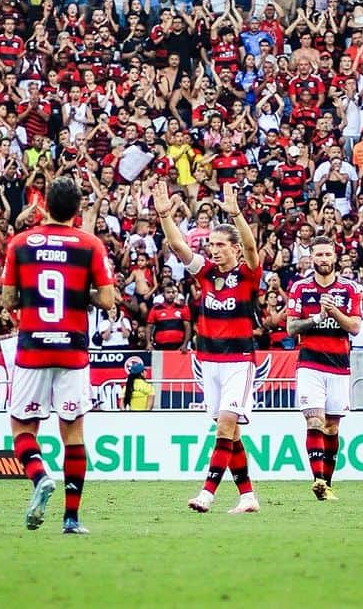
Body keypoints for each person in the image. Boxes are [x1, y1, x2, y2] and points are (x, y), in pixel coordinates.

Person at [1, 175, 115, 535]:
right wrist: (80, 294)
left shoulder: (20, 243)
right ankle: (71, 519)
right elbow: (108, 300)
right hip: (72, 348)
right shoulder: (90, 244)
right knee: (74, 433)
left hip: (34, 345)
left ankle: (39, 476)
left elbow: (8, 301)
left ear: (44, 204)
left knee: (22, 427)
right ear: (78, 210)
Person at [153, 178, 261, 514]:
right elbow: (179, 248)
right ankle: (248, 497)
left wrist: (237, 215)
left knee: (225, 426)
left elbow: (253, 249)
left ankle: (207, 493)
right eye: (210, 244)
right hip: (209, 363)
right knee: (232, 435)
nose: (212, 249)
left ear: (234, 248)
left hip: (238, 362)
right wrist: (164, 217)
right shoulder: (206, 273)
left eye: (219, 244)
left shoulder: (247, 274)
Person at [286, 235, 363, 500]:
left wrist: (334, 313)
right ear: (311, 258)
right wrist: (317, 317)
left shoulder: (350, 289)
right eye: (318, 255)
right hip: (310, 363)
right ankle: (318, 479)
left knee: (332, 428)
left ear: (335, 256)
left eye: (327, 254)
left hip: (339, 366)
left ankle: (325, 485)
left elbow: (354, 327)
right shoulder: (300, 288)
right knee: (314, 420)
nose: (323, 259)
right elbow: (291, 327)